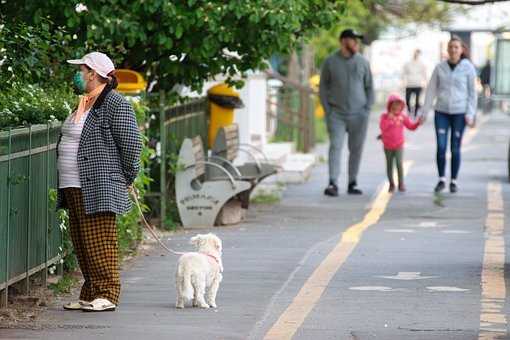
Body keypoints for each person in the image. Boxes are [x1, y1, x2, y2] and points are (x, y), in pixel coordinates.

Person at [56, 52, 142, 312]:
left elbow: (131, 146)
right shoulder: (85, 103)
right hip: (73, 183)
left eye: (81, 70)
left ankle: (107, 293)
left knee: (100, 242)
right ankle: (91, 292)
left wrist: (124, 178)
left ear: (93, 73)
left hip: (99, 184)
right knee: (83, 243)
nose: (78, 75)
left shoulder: (115, 103)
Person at [319, 28, 374, 196]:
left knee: (356, 149)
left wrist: (367, 110)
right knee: (335, 146)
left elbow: (370, 87)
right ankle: (333, 183)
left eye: (357, 41)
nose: (356, 43)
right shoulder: (330, 62)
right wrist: (328, 111)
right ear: (343, 41)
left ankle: (352, 182)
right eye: (353, 40)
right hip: (336, 114)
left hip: (359, 115)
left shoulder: (363, 62)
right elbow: (323, 87)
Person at [419, 36, 477, 193]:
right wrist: (424, 112)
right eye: (451, 47)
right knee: (441, 146)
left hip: (460, 113)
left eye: (456, 47)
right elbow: (431, 90)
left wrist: (471, 114)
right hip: (441, 112)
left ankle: (454, 180)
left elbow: (473, 93)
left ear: (461, 50)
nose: (453, 50)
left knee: (455, 147)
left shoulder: (468, 68)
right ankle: (441, 179)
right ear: (447, 49)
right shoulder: (440, 68)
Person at [379, 94, 420, 193]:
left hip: (399, 145)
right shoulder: (384, 117)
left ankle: (401, 183)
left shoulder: (402, 117)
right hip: (387, 145)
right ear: (390, 106)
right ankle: (391, 184)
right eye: (394, 105)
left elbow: (411, 127)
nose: (397, 108)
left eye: (399, 105)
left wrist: (418, 122)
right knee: (389, 165)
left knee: (399, 163)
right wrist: (390, 119)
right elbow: (382, 128)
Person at [402, 49, 427, 117]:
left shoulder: (421, 64)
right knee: (407, 100)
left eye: (418, 54)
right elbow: (404, 73)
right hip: (409, 84)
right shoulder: (407, 64)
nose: (416, 55)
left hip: (418, 84)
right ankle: (409, 111)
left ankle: (416, 113)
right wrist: (403, 82)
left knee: (417, 100)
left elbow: (424, 74)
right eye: (415, 53)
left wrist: (425, 83)